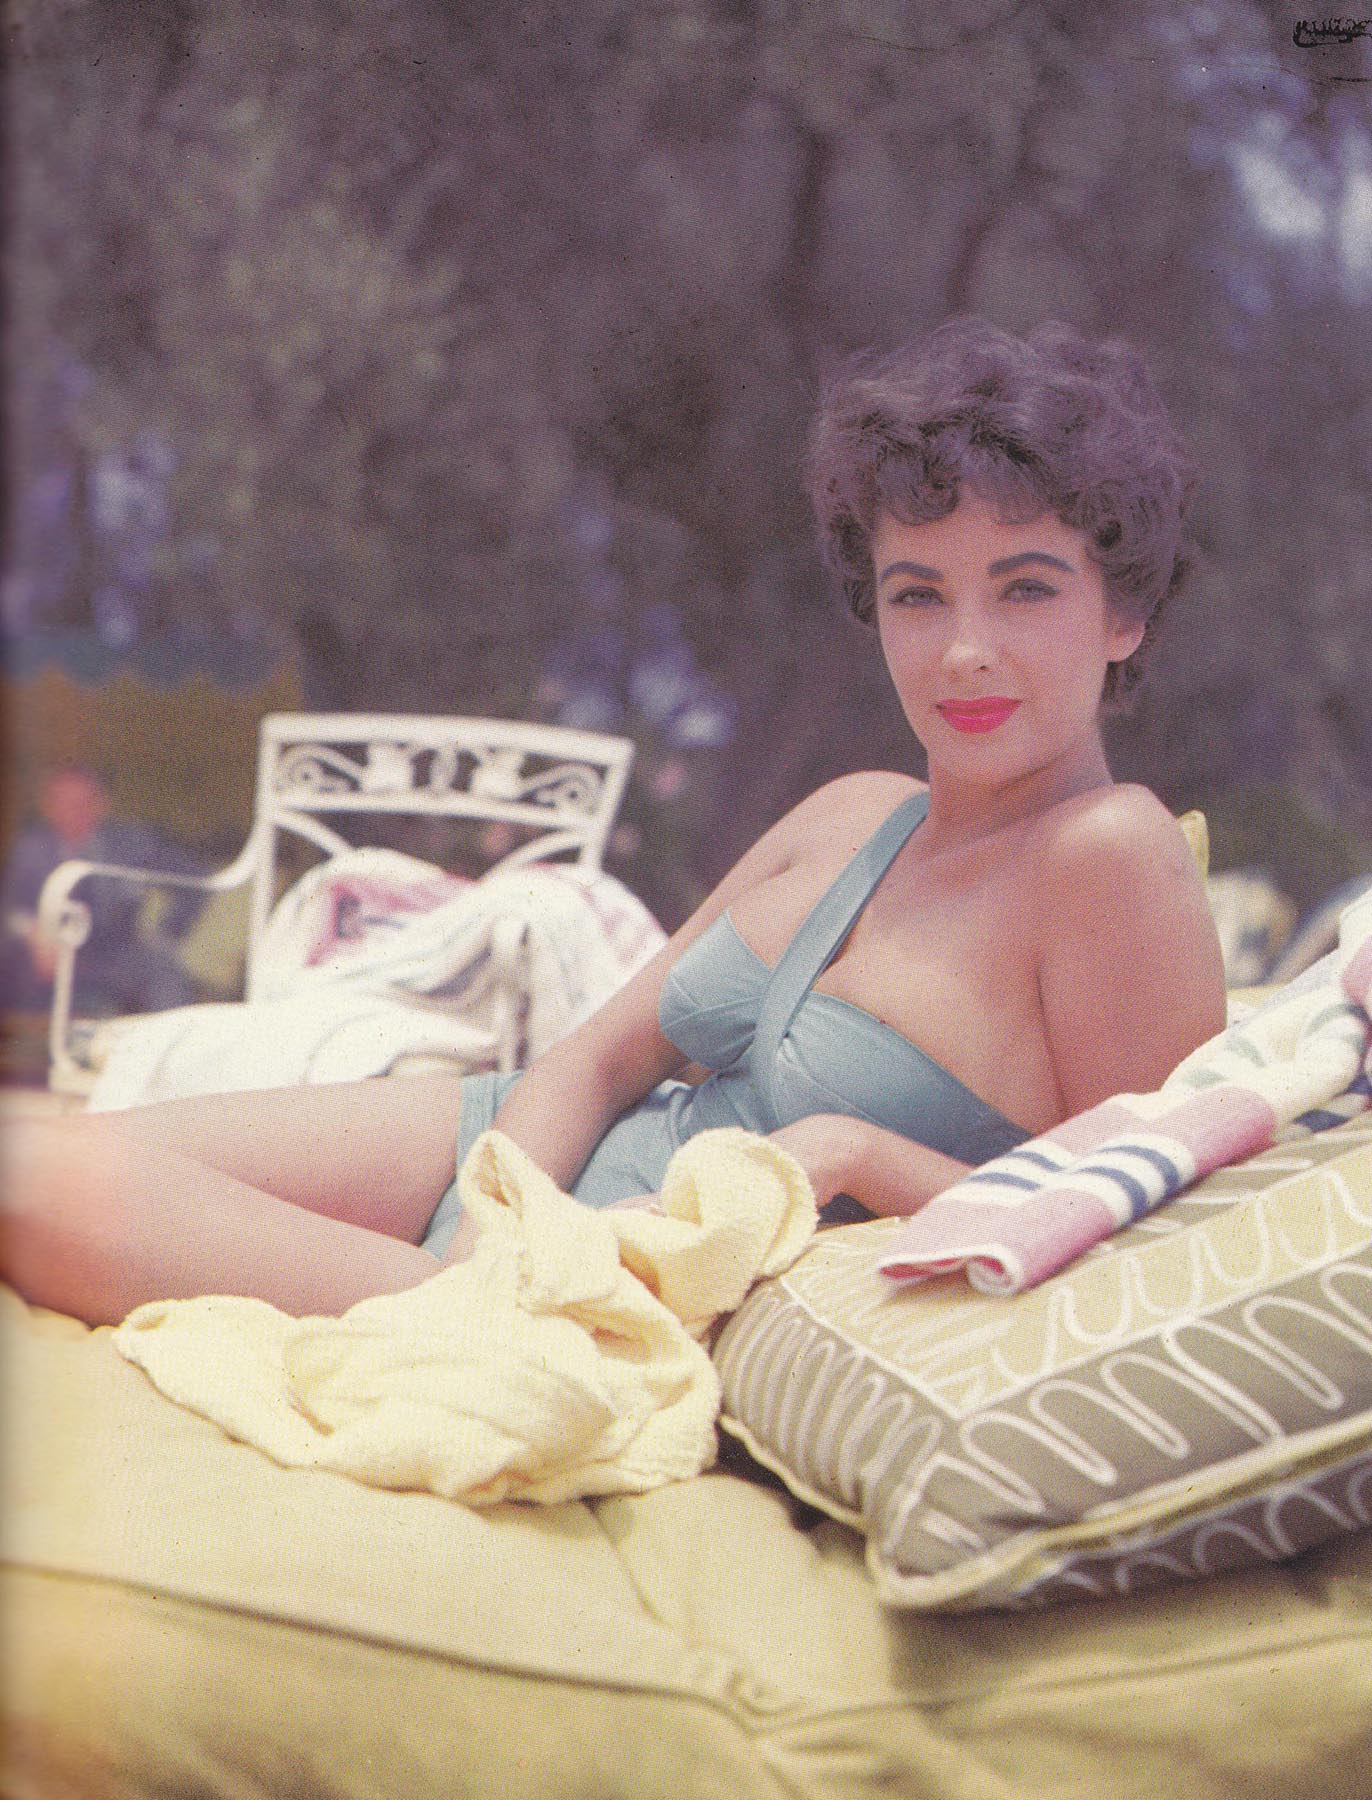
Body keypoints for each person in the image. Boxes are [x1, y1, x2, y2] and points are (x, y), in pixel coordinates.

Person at [3, 318, 1227, 1327]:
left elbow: (1140, 1232)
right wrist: (494, 1237)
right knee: (33, 1162)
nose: (963, 651)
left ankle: (448, 1322)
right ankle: (446, 1310)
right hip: (514, 1168)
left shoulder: (1109, 855)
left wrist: (854, 1153)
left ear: (1124, 615)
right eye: (919, 595)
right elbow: (593, 1061)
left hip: (624, 1276)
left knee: (34, 1193)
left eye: (1024, 589)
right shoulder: (857, 812)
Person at [1, 763, 202, 1016]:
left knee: (165, 975)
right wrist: (33, 934)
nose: (74, 812)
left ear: (102, 804)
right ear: (47, 808)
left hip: (113, 955)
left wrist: (164, 935)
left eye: (84, 803)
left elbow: (195, 882)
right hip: (49, 953)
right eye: (63, 803)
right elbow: (10, 905)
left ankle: (167, 1040)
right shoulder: (29, 849)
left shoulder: (132, 844)